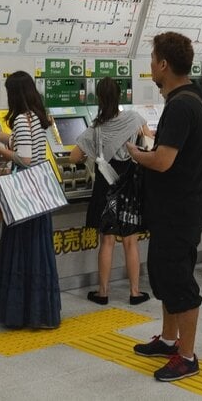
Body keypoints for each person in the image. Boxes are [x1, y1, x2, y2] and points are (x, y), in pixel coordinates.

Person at [126, 32, 202, 383]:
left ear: (163, 64)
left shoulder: (180, 105)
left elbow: (162, 161)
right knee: (165, 276)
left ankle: (186, 357)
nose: (151, 68)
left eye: (152, 61)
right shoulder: (194, 98)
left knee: (179, 283)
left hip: (178, 212)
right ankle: (168, 338)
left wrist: (134, 153)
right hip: (176, 209)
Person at [0, 71, 62, 330]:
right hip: (38, 198)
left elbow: (25, 160)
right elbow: (17, 143)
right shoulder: (35, 118)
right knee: (37, 254)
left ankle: (21, 312)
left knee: (22, 253)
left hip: (24, 199)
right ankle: (39, 311)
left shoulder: (22, 119)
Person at [70, 76, 150, 305]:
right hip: (130, 187)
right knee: (130, 241)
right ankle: (135, 292)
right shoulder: (134, 119)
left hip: (106, 188)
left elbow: (75, 156)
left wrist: (92, 152)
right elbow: (149, 139)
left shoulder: (95, 129)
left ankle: (103, 292)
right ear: (120, 96)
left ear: (99, 99)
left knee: (106, 241)